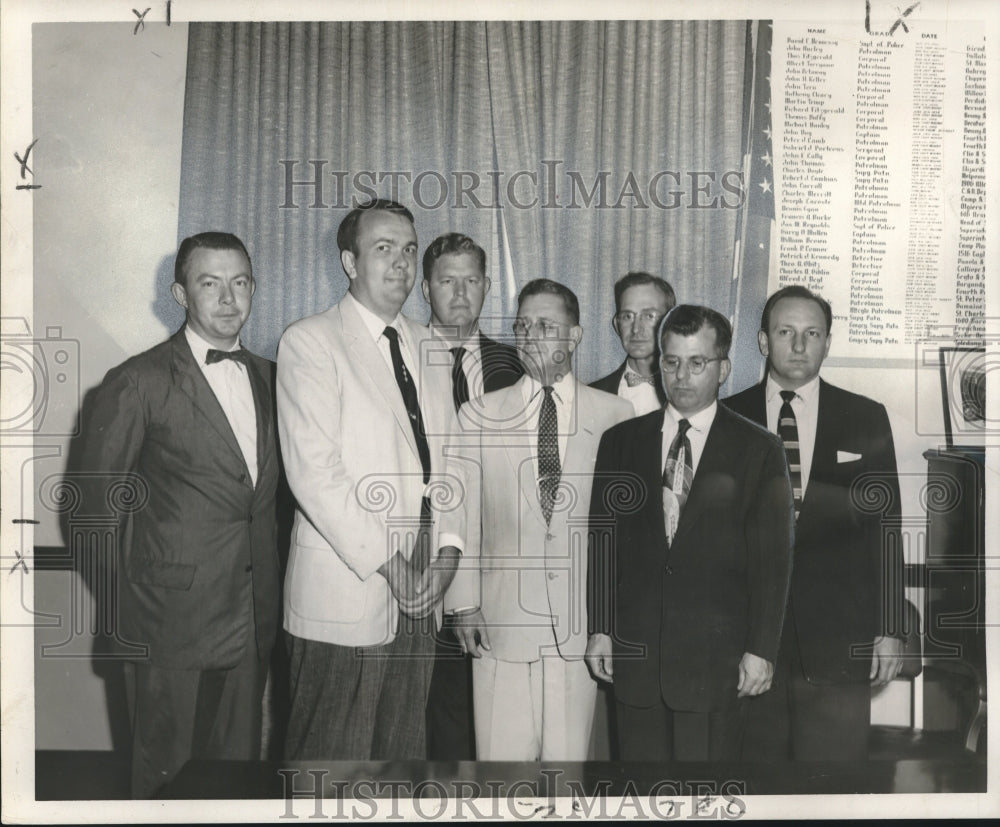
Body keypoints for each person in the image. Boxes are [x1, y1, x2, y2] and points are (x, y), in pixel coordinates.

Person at [77, 232, 281, 797]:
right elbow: (91, 515)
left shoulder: (271, 377)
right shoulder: (135, 381)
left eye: (239, 283)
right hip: (164, 630)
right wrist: (137, 607)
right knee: (163, 788)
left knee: (235, 784)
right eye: (209, 283)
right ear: (180, 293)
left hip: (251, 624)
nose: (227, 298)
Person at [276, 199, 457, 760]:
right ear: (350, 262)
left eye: (408, 249)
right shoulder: (309, 342)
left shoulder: (430, 347)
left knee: (400, 763)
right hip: (347, 587)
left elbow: (452, 467)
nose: (401, 263)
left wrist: (448, 552)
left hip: (422, 587)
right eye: (384, 249)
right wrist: (391, 563)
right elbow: (315, 475)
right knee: (330, 770)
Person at [586, 304, 794, 761]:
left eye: (697, 362)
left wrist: (761, 649)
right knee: (642, 801)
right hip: (637, 661)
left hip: (715, 668)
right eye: (671, 361)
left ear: (723, 369)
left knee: (706, 800)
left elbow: (772, 564)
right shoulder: (621, 442)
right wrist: (600, 629)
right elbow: (603, 547)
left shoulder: (759, 449)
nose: (681, 375)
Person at [440, 279, 633, 760]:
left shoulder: (617, 415)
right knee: (501, 781)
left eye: (545, 325)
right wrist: (463, 602)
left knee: (564, 782)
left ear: (575, 336)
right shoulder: (478, 413)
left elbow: (625, 533)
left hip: (579, 632)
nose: (529, 335)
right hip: (499, 627)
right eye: (522, 325)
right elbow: (457, 510)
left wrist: (611, 623)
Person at [724, 285, 904, 761]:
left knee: (834, 782)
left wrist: (890, 628)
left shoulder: (865, 417)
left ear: (827, 341)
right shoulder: (727, 418)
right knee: (755, 782)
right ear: (763, 341)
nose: (799, 346)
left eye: (812, 333)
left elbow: (885, 529)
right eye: (785, 332)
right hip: (747, 640)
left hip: (838, 638)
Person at [420, 232, 523, 760]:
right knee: (438, 724)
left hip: (505, 582)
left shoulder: (516, 366)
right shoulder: (402, 361)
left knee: (500, 730)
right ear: (425, 288)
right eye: (447, 281)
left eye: (472, 281)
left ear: (487, 287)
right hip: (423, 574)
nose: (460, 294)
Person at [589, 272, 676, 416]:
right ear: (617, 326)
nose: (636, 329)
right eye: (627, 316)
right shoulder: (593, 396)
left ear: (670, 323)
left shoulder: (690, 392)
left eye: (649, 316)